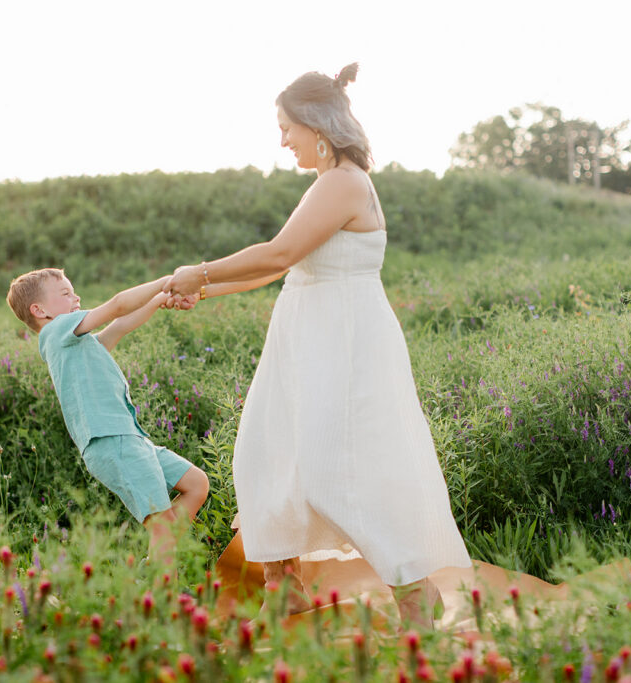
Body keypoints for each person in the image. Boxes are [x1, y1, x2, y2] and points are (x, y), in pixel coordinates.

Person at [165, 63, 471, 626]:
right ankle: (285, 591)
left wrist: (200, 270)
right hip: (304, 343)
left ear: (316, 126)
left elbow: (278, 253)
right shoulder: (325, 185)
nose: (282, 140)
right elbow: (286, 265)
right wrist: (206, 290)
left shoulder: (345, 182)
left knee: (344, 472)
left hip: (343, 345)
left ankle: (414, 592)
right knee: (264, 454)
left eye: (287, 127)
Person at [7, 268, 209, 569]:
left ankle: (154, 567)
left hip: (130, 438)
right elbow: (116, 305)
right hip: (110, 440)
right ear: (40, 311)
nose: (75, 297)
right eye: (65, 293)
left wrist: (160, 298)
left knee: (196, 483)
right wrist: (170, 281)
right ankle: (161, 593)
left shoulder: (79, 344)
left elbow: (121, 324)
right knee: (161, 523)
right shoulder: (56, 332)